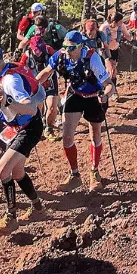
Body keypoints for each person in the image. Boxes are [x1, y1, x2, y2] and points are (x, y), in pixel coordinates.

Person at [0, 43, 46, 233]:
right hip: (21, 127)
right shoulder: (3, 73)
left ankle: (11, 216)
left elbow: (30, 108)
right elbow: (5, 104)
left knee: (1, 171)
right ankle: (38, 207)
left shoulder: (10, 80)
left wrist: (8, 101)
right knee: (17, 172)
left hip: (28, 128)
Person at [47, 30, 115, 192]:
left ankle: (94, 171)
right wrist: (30, 88)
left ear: (80, 46)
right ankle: (75, 175)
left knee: (95, 134)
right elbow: (45, 73)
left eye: (71, 48)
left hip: (94, 97)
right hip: (76, 94)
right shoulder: (61, 56)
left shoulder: (92, 58)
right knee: (67, 137)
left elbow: (109, 84)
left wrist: (105, 96)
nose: (67, 51)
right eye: (64, 47)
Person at [22, 33, 60, 139]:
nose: (39, 52)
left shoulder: (48, 50)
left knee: (52, 106)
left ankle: (49, 128)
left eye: (40, 49)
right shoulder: (27, 55)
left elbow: (58, 60)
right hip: (35, 83)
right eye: (36, 50)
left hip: (50, 81)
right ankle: (38, 126)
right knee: (38, 107)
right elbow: (21, 68)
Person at [99, 10, 128, 83]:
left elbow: (128, 36)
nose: (121, 23)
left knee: (113, 71)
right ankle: (110, 89)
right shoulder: (104, 27)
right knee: (111, 69)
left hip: (115, 50)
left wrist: (133, 36)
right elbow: (99, 41)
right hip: (106, 51)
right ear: (115, 21)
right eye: (120, 21)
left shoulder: (121, 26)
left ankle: (111, 88)